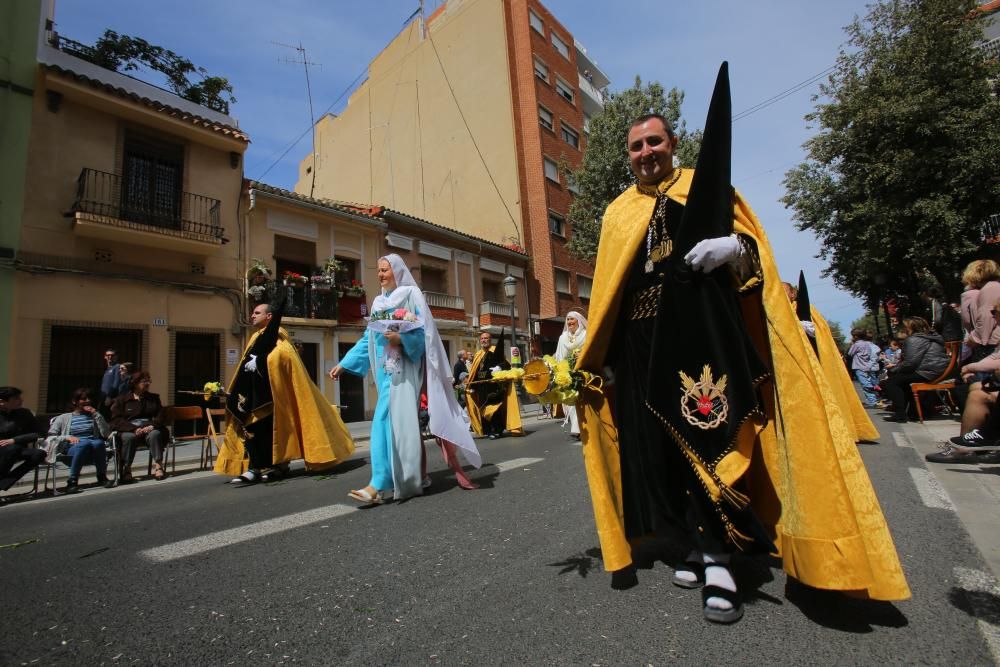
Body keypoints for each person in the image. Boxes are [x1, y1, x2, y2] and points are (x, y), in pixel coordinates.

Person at [573, 65, 908, 625]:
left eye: (654, 141)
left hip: (698, 340)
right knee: (653, 449)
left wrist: (735, 249)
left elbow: (755, 262)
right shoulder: (616, 213)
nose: (645, 152)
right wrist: (601, 362)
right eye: (636, 146)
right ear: (627, 155)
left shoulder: (705, 190)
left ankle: (719, 556)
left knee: (707, 438)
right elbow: (609, 293)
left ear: (671, 144)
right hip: (638, 346)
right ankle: (687, 539)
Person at [330, 255, 481, 503]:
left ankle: (378, 483)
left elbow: (426, 336)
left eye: (385, 270)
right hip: (385, 373)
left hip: (407, 370)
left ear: (397, 271)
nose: (380, 275)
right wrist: (344, 363)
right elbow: (368, 340)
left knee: (382, 421)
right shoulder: (378, 302)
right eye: (378, 271)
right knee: (403, 426)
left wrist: (402, 340)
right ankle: (417, 476)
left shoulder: (411, 295)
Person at [216, 300, 355, 485]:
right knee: (251, 430)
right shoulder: (254, 337)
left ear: (269, 316)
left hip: (272, 397)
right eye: (253, 313)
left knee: (271, 433)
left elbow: (282, 360)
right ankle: (254, 468)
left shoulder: (280, 338)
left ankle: (277, 466)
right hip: (252, 395)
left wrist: (260, 363)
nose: (252, 315)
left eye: (257, 312)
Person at [880, 317, 950, 423]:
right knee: (900, 381)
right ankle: (913, 412)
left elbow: (910, 363)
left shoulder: (914, 339)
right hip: (937, 369)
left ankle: (900, 414)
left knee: (891, 382)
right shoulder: (931, 336)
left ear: (911, 328)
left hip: (927, 371)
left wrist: (894, 369)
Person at [46, 388, 112, 492]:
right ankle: (72, 480)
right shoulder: (64, 418)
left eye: (89, 398)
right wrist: (67, 437)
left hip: (93, 448)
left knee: (99, 443)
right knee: (84, 443)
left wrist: (96, 414)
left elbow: (106, 433)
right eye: (83, 399)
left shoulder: (94, 416)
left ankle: (101, 476)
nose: (87, 401)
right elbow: (51, 436)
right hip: (72, 448)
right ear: (74, 401)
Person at [110, 371, 167, 483]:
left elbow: (161, 415)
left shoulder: (154, 398)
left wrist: (152, 426)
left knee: (155, 434)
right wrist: (134, 429)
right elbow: (116, 419)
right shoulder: (122, 399)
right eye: (144, 381)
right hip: (129, 429)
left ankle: (159, 466)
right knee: (128, 437)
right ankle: (127, 469)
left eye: (148, 381)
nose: (147, 384)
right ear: (135, 383)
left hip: (149, 428)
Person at [465, 331, 523, 439]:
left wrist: (499, 367)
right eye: (482, 339)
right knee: (483, 409)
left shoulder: (496, 351)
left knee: (494, 410)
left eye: (486, 338)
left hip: (494, 387)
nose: (484, 340)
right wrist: (472, 387)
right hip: (482, 387)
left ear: (490, 340)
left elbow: (505, 364)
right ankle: (488, 430)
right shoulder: (478, 354)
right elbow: (474, 373)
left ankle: (497, 430)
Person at [0, 386, 44, 494]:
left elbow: (40, 432)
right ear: (2, 401)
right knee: (11, 449)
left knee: (39, 454)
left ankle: (3, 484)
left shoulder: (24, 413)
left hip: (17, 449)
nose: (21, 400)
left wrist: (14, 440)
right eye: (16, 398)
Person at [555, 311, 588, 439]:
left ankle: (583, 427)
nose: (569, 322)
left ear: (578, 321)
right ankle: (577, 428)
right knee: (572, 400)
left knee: (583, 400)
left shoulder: (586, 335)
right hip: (568, 373)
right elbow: (559, 356)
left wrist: (581, 355)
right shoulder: (562, 338)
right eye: (567, 320)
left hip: (584, 371)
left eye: (572, 319)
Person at [961, 260, 1000, 363]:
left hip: (990, 344)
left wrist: (974, 338)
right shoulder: (993, 287)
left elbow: (986, 318)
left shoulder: (989, 289)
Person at [847, 329, 881, 408]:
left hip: (859, 366)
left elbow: (850, 353)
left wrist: (853, 344)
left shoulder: (856, 344)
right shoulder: (867, 344)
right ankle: (873, 398)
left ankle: (872, 400)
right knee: (867, 381)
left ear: (855, 336)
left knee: (865, 384)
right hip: (867, 366)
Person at [99, 349, 122, 416]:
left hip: (110, 398)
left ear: (116, 356)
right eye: (108, 355)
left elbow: (116, 383)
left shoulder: (117, 367)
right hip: (103, 397)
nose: (110, 357)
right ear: (105, 357)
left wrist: (109, 396)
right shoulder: (108, 369)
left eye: (112, 355)